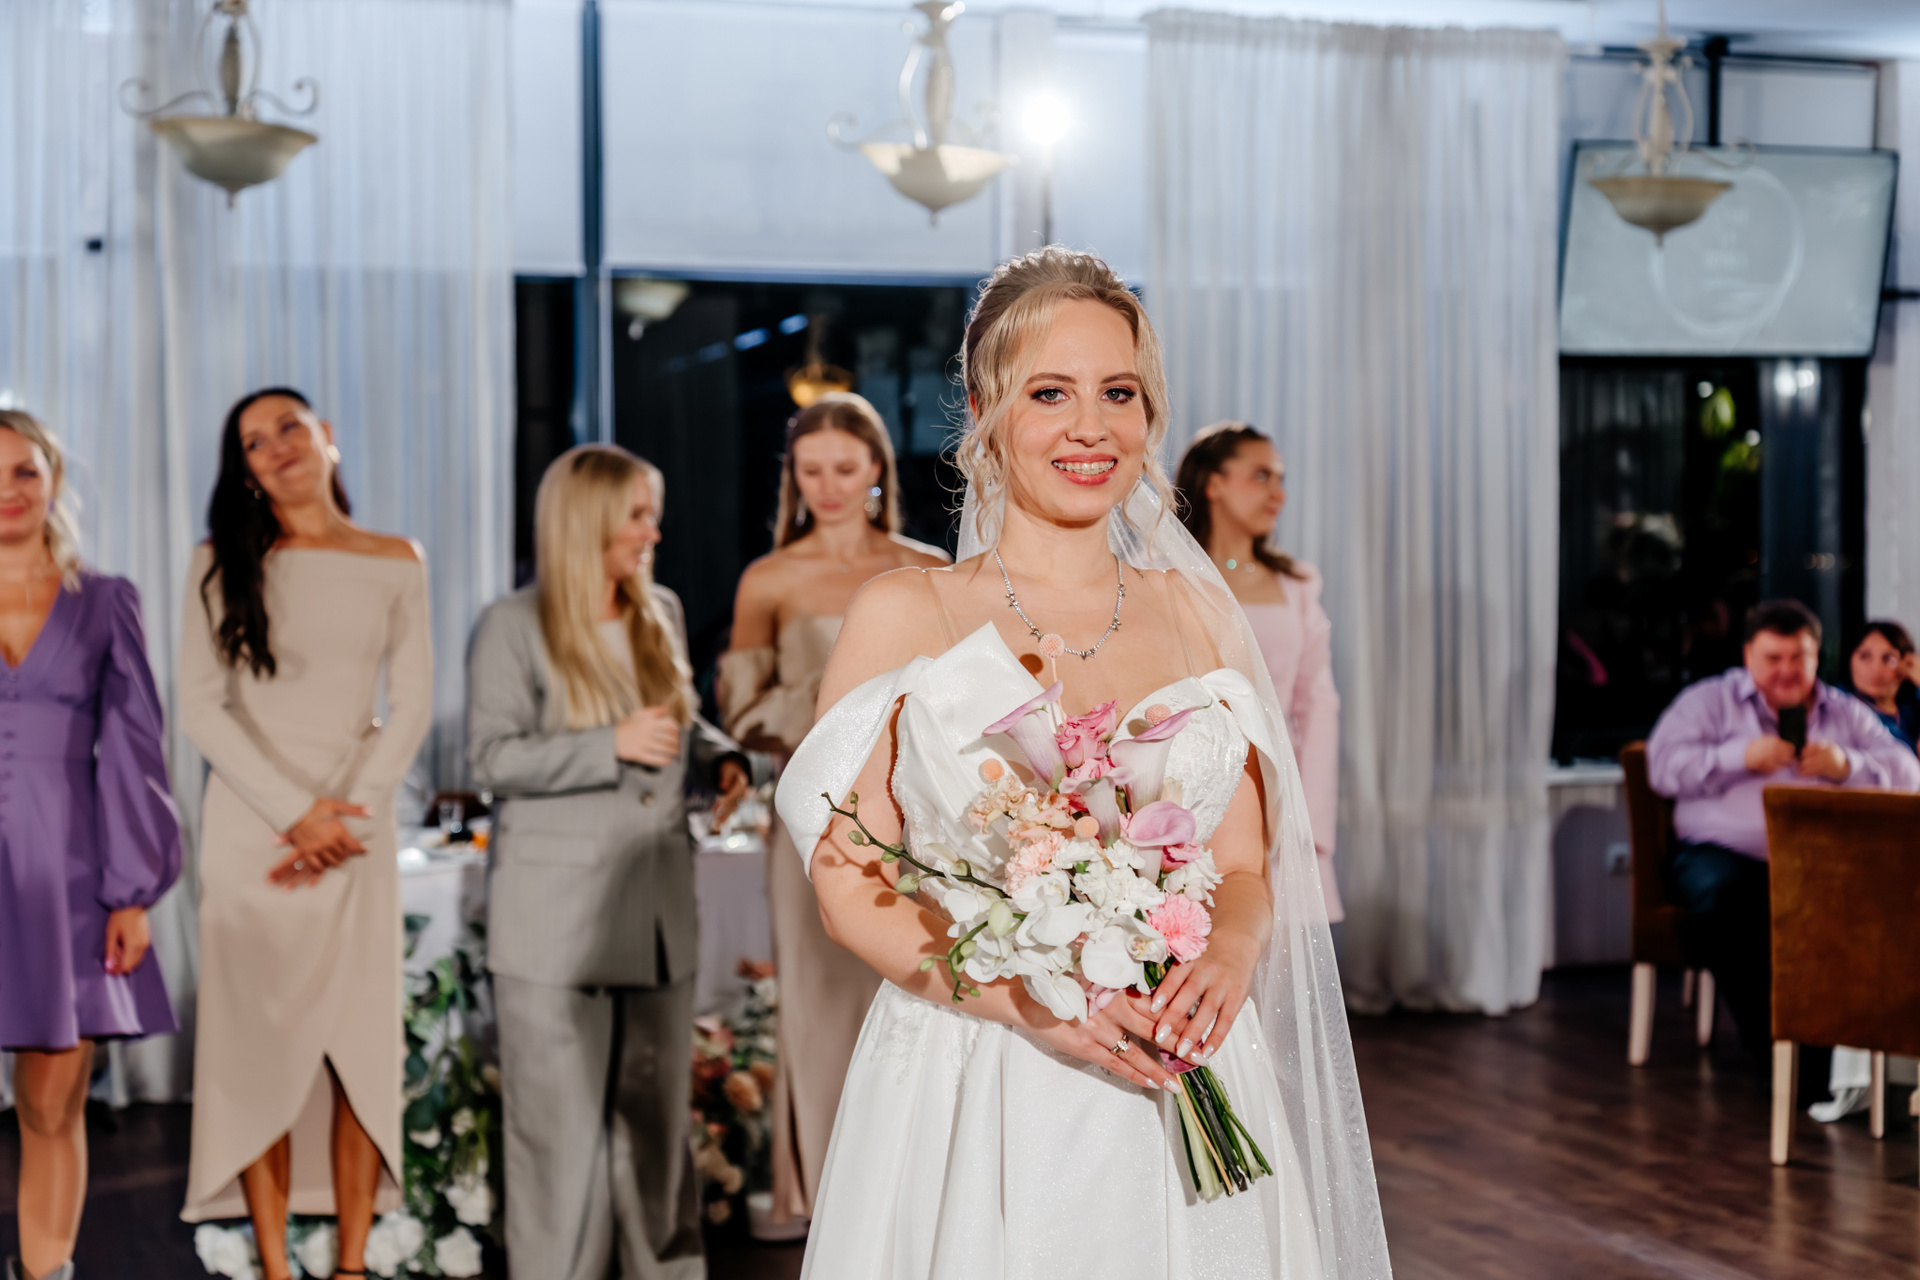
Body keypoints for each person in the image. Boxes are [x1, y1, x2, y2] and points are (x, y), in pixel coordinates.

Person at [774, 248, 1389, 1277]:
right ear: (984, 410)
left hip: (1183, 1055)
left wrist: (1232, 953)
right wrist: (1024, 1000)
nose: (1091, 427)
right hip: (979, 1067)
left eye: (1119, 393)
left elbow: (1244, 861)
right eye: (1050, 392)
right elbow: (847, 880)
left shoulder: (1199, 613)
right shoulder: (904, 611)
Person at [469, 444, 751, 1280]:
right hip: (553, 931)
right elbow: (489, 757)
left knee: (658, 1138)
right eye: (638, 515)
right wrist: (608, 745)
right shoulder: (512, 625)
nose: (652, 531)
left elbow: (678, 723)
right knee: (557, 1145)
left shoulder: (659, 608)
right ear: (586, 518)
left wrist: (720, 758)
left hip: (658, 912)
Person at [178, 389, 433, 1280]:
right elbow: (201, 708)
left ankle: (353, 1265)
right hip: (253, 833)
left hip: (356, 832)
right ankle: (276, 1267)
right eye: (253, 442)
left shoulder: (397, 559)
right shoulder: (218, 563)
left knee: (357, 1045)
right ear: (245, 471)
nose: (277, 446)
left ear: (326, 435)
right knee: (255, 1048)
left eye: (289, 426)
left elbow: (414, 702)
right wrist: (297, 813)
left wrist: (347, 813)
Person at [717, 392, 946, 1224]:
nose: (829, 486)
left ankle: (915, 1197)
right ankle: (827, 1205)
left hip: (917, 818)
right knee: (815, 1008)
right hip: (812, 821)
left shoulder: (928, 567)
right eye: (811, 471)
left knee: (919, 993)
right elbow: (741, 711)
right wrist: (840, 695)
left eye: (845, 468)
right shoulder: (769, 578)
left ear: (877, 468)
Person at [0, 411, 180, 1280]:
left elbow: (137, 751)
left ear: (55, 480)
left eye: (24, 471)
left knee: (48, 1106)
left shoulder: (106, 601)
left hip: (65, 880)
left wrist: (132, 892)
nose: (8, 492)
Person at [1646, 600, 1920, 1064]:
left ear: (1817, 656)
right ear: (1748, 655)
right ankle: (1780, 1054)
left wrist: (1848, 765)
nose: (1787, 671)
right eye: (1774, 658)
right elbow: (1662, 768)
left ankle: (1852, 1058)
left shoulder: (1844, 711)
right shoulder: (1708, 701)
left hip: (1823, 863)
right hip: (1724, 855)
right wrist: (1739, 757)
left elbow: (1909, 773)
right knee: (1730, 900)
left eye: (1799, 658)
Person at [1175, 422, 1343, 921]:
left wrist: (1309, 822)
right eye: (1261, 476)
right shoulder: (1164, 578)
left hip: (1280, 790)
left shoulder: (1297, 584)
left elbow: (1319, 706)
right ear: (1214, 483)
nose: (1279, 494)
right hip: (1192, 791)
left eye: (1281, 479)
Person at [1845, 620, 1919, 752]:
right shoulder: (1843, 712)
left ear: (1906, 663)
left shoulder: (1911, 706)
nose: (1876, 669)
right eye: (1865, 656)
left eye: (1888, 658)